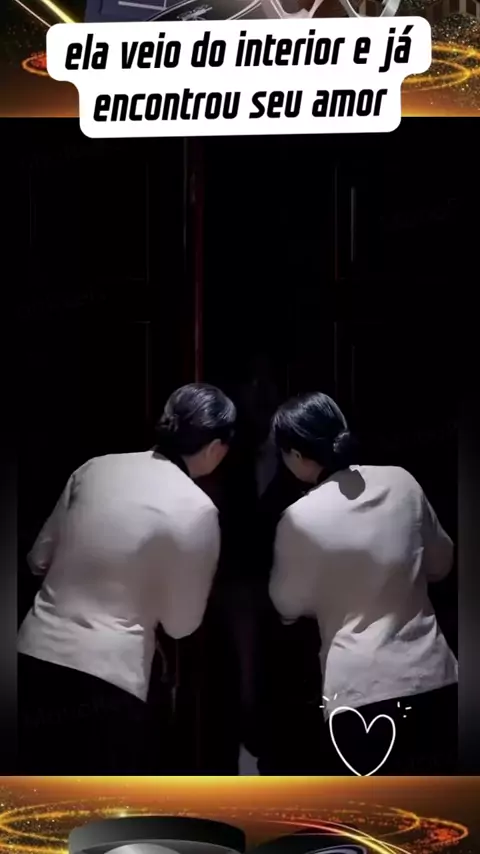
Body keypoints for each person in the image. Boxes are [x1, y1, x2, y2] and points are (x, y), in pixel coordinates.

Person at [17, 383, 236, 774]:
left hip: (33, 655)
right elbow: (181, 624)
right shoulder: (197, 508)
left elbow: (38, 559)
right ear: (216, 447)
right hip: (109, 678)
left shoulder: (95, 468)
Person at [268, 391, 458, 774]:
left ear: (296, 455)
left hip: (359, 693)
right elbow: (442, 562)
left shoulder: (299, 518)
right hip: (435, 678)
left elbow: (286, 604)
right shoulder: (402, 482)